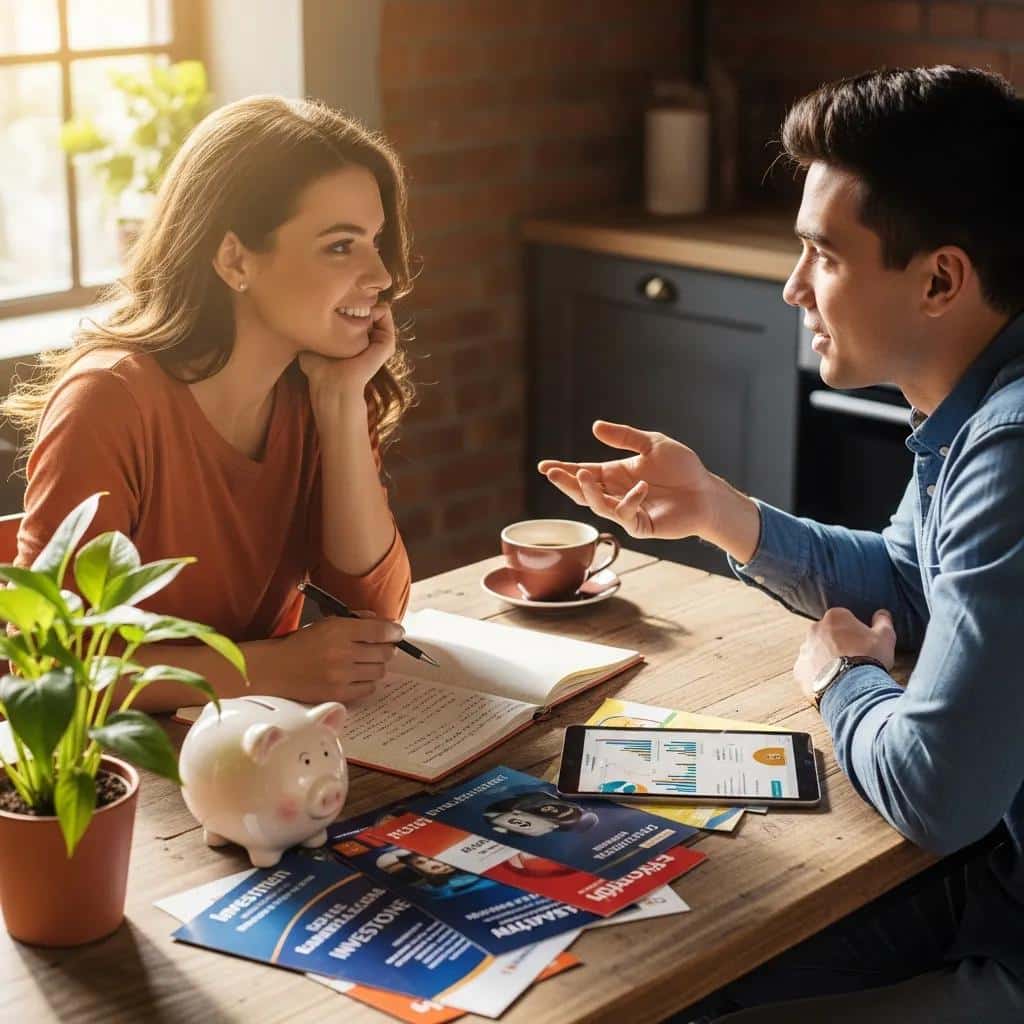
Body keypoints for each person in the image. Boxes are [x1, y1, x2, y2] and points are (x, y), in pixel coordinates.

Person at [539, 66, 1024, 1022]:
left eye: (824, 256)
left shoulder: (1012, 450)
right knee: (663, 976)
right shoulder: (975, 405)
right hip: (993, 879)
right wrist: (720, 510)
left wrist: (843, 677)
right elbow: (909, 582)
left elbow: (936, 790)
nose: (794, 285)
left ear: (939, 279)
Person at [3, 96, 416, 713]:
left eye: (375, 242)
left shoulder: (319, 388)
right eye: (339, 247)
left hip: (256, 749)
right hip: (128, 777)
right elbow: (47, 667)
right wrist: (270, 668)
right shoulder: (110, 404)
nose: (381, 276)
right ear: (234, 260)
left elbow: (370, 623)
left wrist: (340, 403)